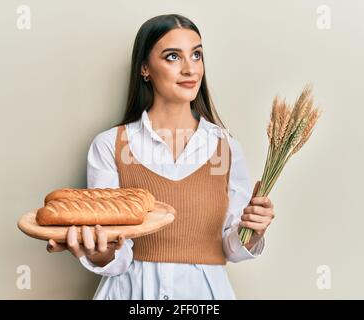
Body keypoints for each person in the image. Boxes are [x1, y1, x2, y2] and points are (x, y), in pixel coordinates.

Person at [46, 13, 275, 300]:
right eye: (172, 57)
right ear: (145, 68)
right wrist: (101, 252)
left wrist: (252, 232)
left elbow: (231, 247)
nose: (190, 69)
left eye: (197, 55)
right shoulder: (109, 145)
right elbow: (117, 257)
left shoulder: (226, 148)